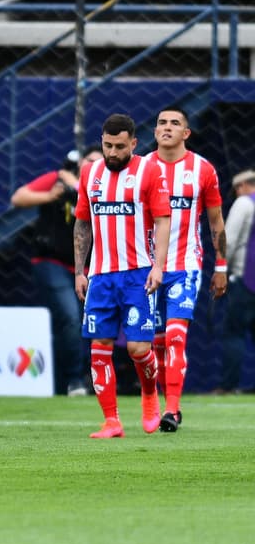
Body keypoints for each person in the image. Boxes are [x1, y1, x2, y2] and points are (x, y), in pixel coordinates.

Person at [74, 113, 171, 439]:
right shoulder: (90, 173)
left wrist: (158, 266)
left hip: (137, 274)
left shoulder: (149, 170)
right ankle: (111, 421)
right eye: (107, 145)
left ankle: (149, 394)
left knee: (138, 349)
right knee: (99, 346)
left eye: (119, 146)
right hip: (100, 276)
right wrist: (80, 271)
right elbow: (82, 222)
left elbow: (163, 220)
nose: (112, 152)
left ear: (134, 143)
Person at [146, 107, 225, 431]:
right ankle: (158, 403)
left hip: (185, 265)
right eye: (161, 122)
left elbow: (216, 221)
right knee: (155, 344)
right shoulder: (142, 167)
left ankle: (172, 410)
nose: (167, 127)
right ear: (154, 131)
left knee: (176, 337)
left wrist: (221, 266)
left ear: (186, 133)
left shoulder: (203, 169)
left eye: (174, 123)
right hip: (146, 268)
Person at [11, 145, 103, 395]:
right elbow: (19, 197)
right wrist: (51, 196)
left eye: (99, 162)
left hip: (90, 268)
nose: (93, 165)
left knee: (89, 324)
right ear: (80, 162)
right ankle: (74, 380)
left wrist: (75, 185)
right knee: (70, 317)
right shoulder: (57, 179)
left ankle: (82, 378)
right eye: (89, 160)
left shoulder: (105, 187)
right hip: (53, 262)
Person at [220, 169, 255, 394]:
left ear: (241, 186)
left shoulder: (244, 203)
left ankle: (229, 385)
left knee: (234, 332)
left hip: (246, 279)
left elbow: (229, 241)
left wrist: (221, 270)